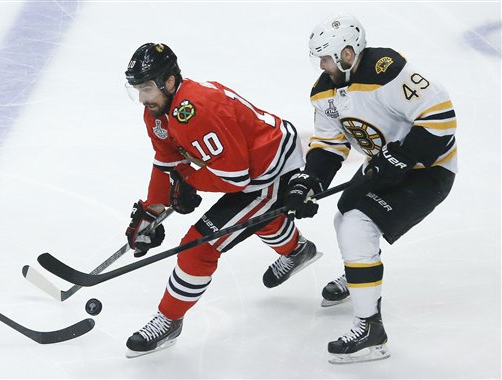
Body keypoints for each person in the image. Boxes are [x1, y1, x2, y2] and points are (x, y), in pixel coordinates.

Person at [122, 42, 322, 358]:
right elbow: (166, 161)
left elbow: (236, 178)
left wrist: (189, 183)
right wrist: (152, 211)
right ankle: (297, 250)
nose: (143, 98)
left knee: (198, 246)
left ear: (169, 82)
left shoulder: (195, 111)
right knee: (251, 220)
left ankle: (169, 320)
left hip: (269, 170)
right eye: (137, 90)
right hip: (249, 166)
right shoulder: (158, 111)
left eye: (147, 88)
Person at [285, 13, 457, 363]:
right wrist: (309, 180)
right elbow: (330, 145)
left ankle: (370, 331)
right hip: (382, 165)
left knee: (356, 225)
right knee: (345, 216)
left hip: (429, 169)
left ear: (348, 53)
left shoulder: (386, 69)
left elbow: (441, 117)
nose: (321, 64)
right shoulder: (324, 91)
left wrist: (403, 157)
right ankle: (360, 278)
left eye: (327, 57)